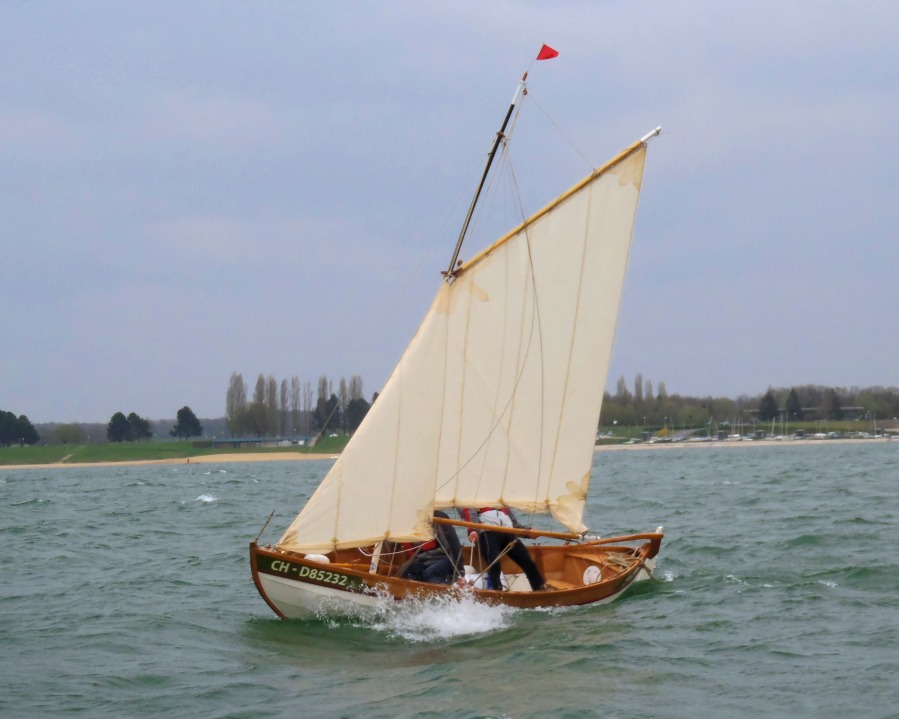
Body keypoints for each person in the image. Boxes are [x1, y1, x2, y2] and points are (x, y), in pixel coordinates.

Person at [461, 506, 546, 591]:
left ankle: (540, 589)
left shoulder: (503, 506)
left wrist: (529, 532)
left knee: (528, 562)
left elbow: (516, 526)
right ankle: (498, 593)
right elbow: (470, 515)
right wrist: (472, 531)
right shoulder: (478, 501)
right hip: (488, 532)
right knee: (494, 565)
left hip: (508, 533)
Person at [401, 510, 465, 585]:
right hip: (426, 559)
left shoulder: (438, 518)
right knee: (407, 569)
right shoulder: (409, 522)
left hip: (445, 558)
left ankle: (440, 593)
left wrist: (459, 572)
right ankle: (414, 594)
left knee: (430, 573)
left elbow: (454, 545)